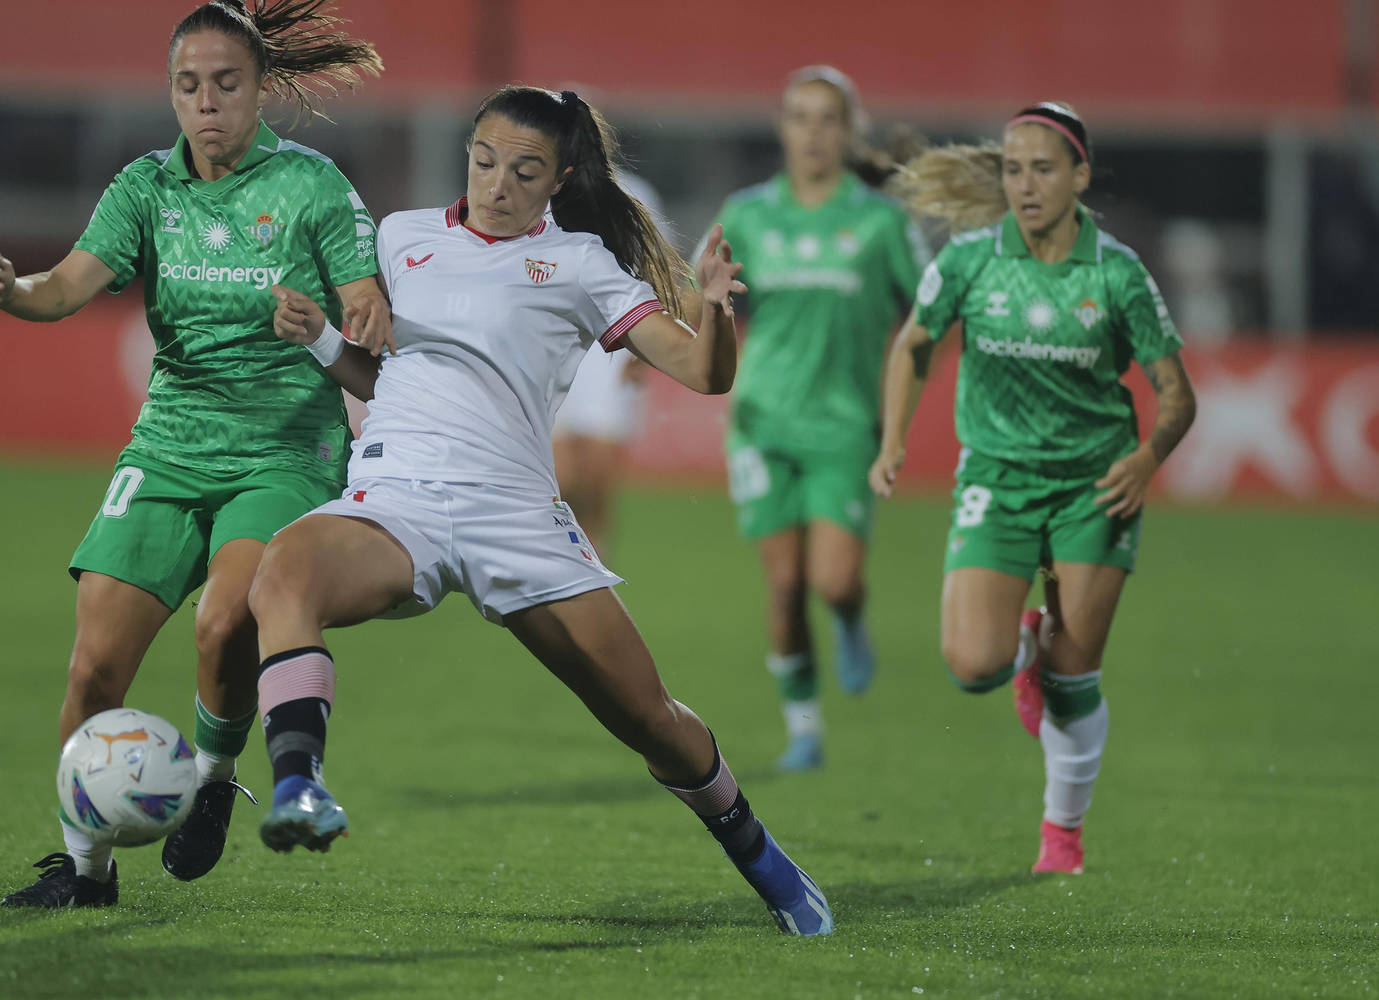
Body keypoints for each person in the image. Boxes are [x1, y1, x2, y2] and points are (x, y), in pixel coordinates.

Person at [254, 86, 833, 935]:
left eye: (524, 172)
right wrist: (322, 343)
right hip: (400, 498)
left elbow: (705, 374)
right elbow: (389, 383)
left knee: (649, 717)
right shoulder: (401, 236)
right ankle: (300, 782)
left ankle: (765, 859)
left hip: (516, 517)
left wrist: (712, 307)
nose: (497, 184)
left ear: (559, 178)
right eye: (485, 160)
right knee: (283, 574)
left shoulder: (580, 265)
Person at [0, 0, 391, 908]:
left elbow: (366, 323)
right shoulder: (144, 187)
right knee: (92, 668)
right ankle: (85, 870)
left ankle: (211, 773)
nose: (206, 102)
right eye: (188, 85)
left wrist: (354, 311)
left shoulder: (312, 186)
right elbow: (67, 285)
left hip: (283, 451)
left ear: (260, 87)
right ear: (170, 93)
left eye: (225, 83)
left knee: (224, 622)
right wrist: (12, 288)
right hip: (167, 446)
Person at [871, 102, 1197, 874]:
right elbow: (914, 340)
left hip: (1095, 487)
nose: (1025, 184)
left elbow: (1178, 394)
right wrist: (890, 440)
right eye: (1013, 169)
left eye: (1043, 168)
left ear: (1080, 176)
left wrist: (1147, 459)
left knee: (1075, 676)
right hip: (997, 478)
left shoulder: (1115, 271)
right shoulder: (970, 259)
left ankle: (1063, 835)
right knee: (971, 665)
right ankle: (1018, 646)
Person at [704, 67, 929, 771]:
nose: (813, 132)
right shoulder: (745, 214)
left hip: (843, 426)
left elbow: (929, 311)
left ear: (849, 131)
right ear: (782, 127)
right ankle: (803, 726)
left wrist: (899, 405)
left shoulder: (879, 221)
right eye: (800, 117)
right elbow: (699, 299)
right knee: (784, 583)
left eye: (828, 119)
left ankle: (852, 617)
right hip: (762, 423)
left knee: (832, 580)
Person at [550, 168, 665, 559]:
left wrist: (650, 343)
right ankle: (562, 561)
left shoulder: (634, 192)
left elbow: (658, 268)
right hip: (548, 337)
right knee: (559, 474)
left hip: (614, 337)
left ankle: (596, 562)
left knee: (598, 468)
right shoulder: (528, 187)